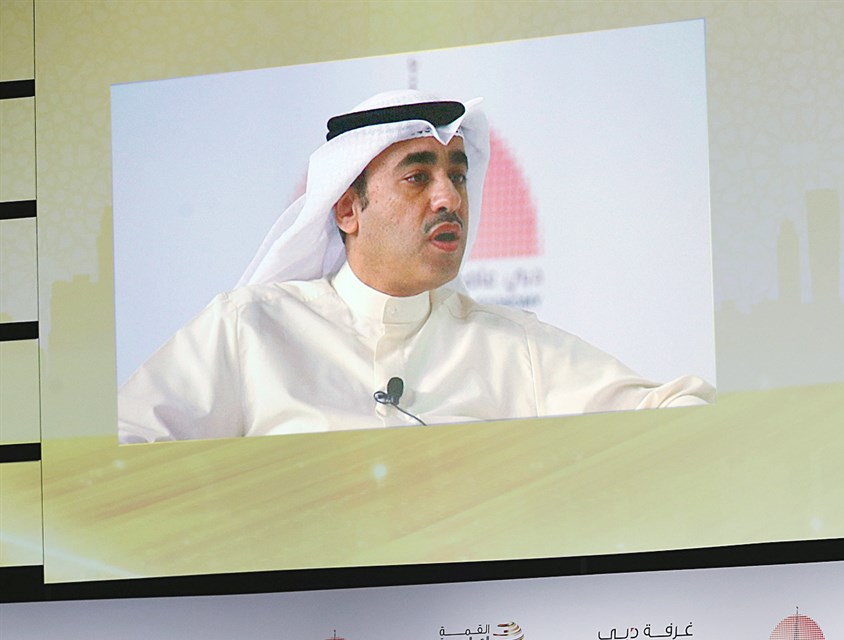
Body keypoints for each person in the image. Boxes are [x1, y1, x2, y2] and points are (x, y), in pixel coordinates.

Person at [118, 90, 712, 443]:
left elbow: (683, 417)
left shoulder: (514, 347)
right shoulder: (249, 328)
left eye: (458, 175)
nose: (449, 198)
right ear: (347, 209)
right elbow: (124, 448)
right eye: (418, 176)